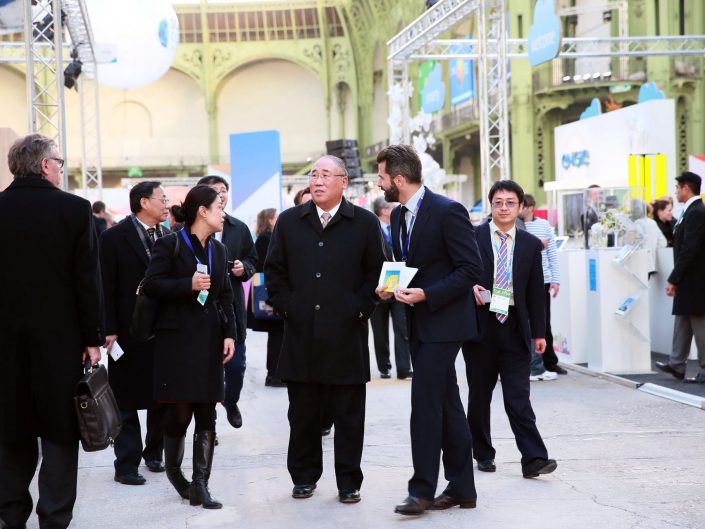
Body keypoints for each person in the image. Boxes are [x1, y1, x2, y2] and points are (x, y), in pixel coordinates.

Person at [264, 155, 385, 504]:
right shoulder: (289, 222)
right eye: (313, 175)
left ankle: (349, 481)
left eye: (325, 175)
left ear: (343, 182)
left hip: (347, 334)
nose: (317, 181)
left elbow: (375, 273)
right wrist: (289, 307)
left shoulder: (363, 223)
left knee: (348, 415)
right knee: (303, 413)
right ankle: (303, 476)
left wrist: (359, 308)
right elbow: (274, 272)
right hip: (301, 333)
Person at [0, 134, 104, 529]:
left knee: (11, 429)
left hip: (4, 346)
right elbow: (86, 281)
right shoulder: (75, 210)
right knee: (60, 432)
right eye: (59, 161)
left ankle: (10, 516)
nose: (61, 167)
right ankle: (54, 518)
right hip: (60, 344)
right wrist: (93, 338)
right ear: (45, 166)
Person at [375, 144, 483, 516]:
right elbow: (413, 263)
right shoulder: (398, 216)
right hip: (420, 321)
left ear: (399, 180)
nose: (379, 183)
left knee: (424, 403)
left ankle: (421, 490)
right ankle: (462, 488)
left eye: (382, 177)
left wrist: (427, 294)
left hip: (447, 322)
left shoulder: (448, 211)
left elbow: (471, 269)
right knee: (448, 404)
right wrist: (392, 284)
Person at [142, 185, 236, 509]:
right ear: (202, 212)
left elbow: (226, 296)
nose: (223, 214)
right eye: (219, 207)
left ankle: (201, 484)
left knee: (207, 412)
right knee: (180, 413)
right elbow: (151, 285)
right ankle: (175, 473)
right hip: (177, 342)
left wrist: (230, 335)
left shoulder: (219, 251)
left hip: (210, 339)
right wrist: (188, 285)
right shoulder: (169, 246)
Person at [462, 180, 557, 479]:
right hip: (481, 327)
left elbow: (534, 292)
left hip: (515, 326)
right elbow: (458, 275)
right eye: (498, 202)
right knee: (480, 395)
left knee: (518, 396)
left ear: (520, 207)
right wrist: (469, 290)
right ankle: (482, 452)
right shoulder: (472, 237)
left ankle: (533, 458)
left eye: (510, 202)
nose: (504, 207)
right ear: (491, 205)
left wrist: (539, 333)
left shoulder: (530, 244)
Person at [99, 181, 170, 486]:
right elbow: (105, 287)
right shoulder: (114, 237)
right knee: (126, 398)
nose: (166, 203)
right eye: (162, 198)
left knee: (162, 395)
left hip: (164, 329)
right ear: (144, 202)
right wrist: (109, 328)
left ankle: (154, 452)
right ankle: (126, 463)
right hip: (127, 330)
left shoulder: (169, 235)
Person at [197, 175, 257, 429]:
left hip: (231, 310)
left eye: (224, 191)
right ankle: (207, 423)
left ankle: (230, 401)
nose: (220, 195)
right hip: (199, 311)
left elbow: (254, 259)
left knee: (236, 367)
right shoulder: (185, 232)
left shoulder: (238, 228)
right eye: (214, 191)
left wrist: (245, 268)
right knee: (205, 372)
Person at [656, 172, 705, 383]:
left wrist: (674, 277)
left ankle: (704, 368)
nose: (675, 192)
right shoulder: (689, 211)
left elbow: (690, 248)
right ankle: (676, 364)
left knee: (700, 326)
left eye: (677, 188)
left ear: (686, 188)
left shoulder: (696, 212)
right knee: (683, 320)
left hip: (696, 279)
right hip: (688, 278)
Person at [518, 193, 564, 380]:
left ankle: (548, 362)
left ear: (530, 207)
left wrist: (556, 280)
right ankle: (535, 365)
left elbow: (552, 254)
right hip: (521, 281)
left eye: (523, 206)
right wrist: (538, 245)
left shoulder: (543, 225)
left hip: (543, 280)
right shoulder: (515, 225)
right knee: (526, 323)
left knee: (542, 323)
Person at [369, 197, 412, 380]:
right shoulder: (371, 228)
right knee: (380, 331)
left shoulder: (400, 227)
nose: (396, 209)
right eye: (392, 207)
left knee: (402, 329)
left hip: (400, 285)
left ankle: (404, 368)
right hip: (379, 287)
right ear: (384, 211)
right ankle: (384, 367)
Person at [248, 208, 285, 387]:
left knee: (277, 336)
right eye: (276, 217)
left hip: (269, 293)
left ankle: (274, 373)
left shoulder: (265, 238)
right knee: (278, 335)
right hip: (270, 294)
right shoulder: (266, 240)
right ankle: (275, 374)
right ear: (270, 220)